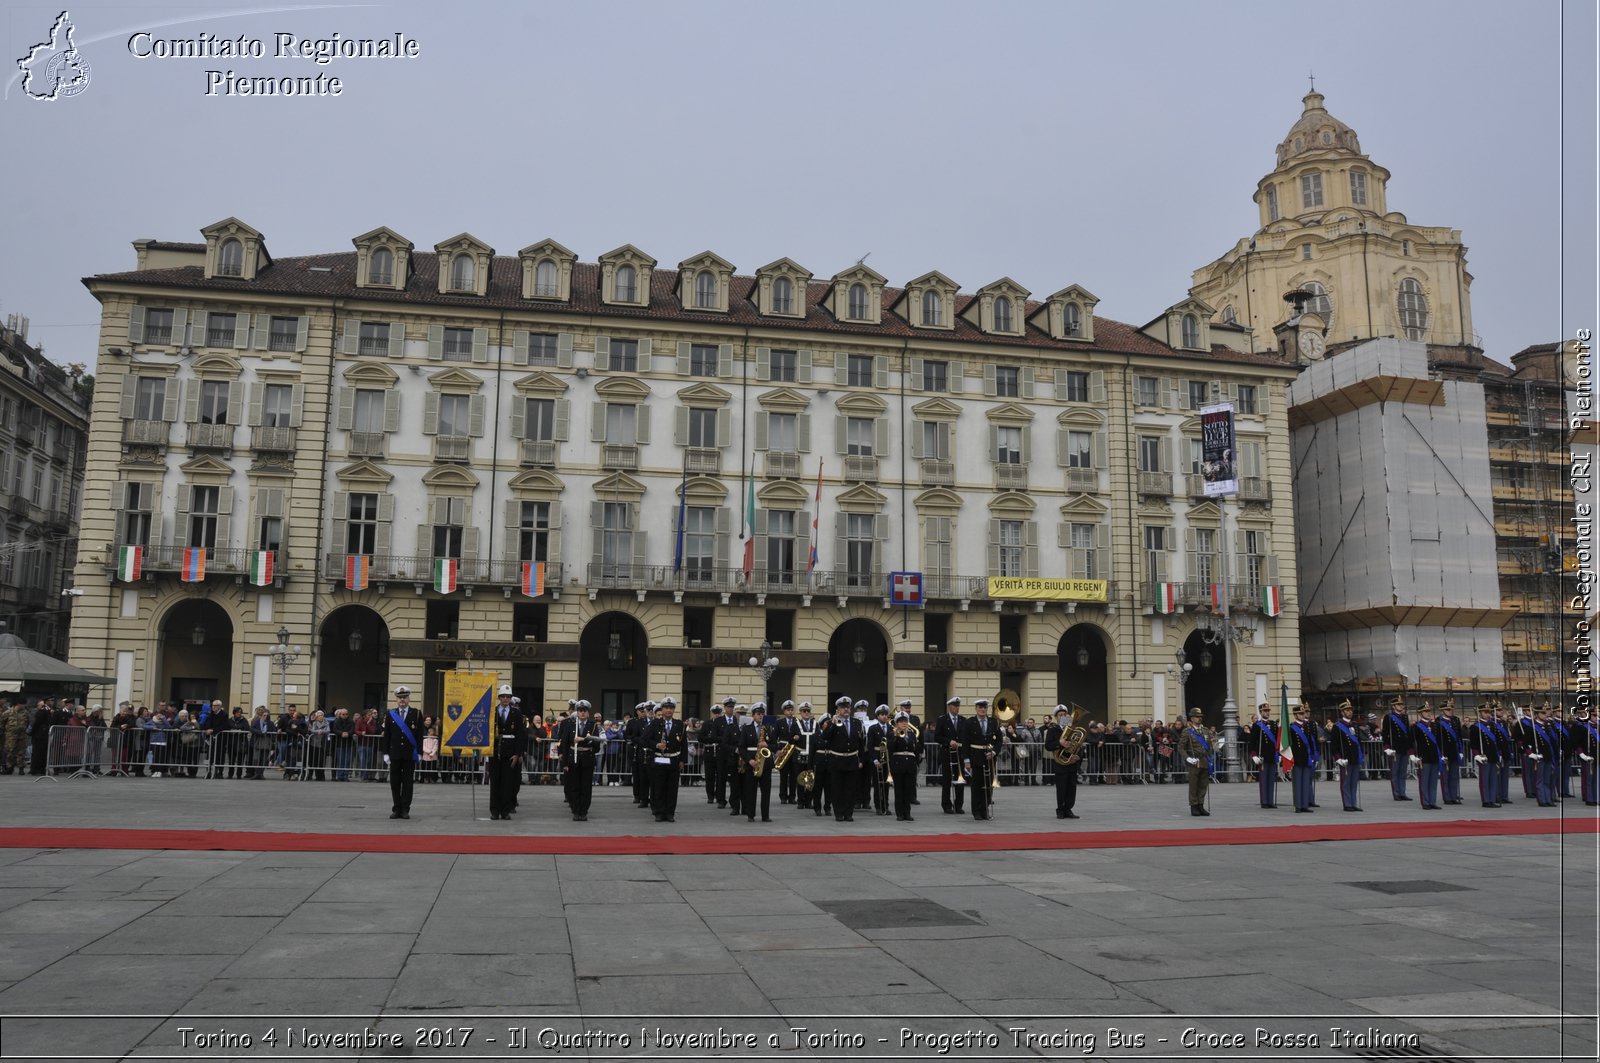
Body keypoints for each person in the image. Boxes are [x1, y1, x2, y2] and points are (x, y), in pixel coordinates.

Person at [381, 685, 423, 819]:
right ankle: (396, 808)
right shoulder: (390, 714)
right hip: (395, 754)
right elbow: (386, 735)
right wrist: (386, 753)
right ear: (396, 700)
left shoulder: (416, 714)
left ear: (408, 699)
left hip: (409, 754)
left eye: (404, 697)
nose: (402, 700)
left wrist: (420, 752)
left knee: (408, 783)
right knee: (395, 782)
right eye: (400, 698)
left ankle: (405, 809)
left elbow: (420, 735)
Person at [820, 697, 864, 822]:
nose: (845, 709)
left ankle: (848, 813)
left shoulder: (856, 723)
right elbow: (825, 737)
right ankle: (838, 813)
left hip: (852, 760)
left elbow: (861, 742)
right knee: (837, 788)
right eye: (842, 707)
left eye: (847, 707)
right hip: (837, 759)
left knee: (850, 789)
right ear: (837, 709)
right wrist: (833, 723)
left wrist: (860, 759)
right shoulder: (831, 722)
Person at [487, 685, 526, 820]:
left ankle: (505, 810)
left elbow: (520, 735)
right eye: (503, 696)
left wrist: (518, 753)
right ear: (499, 698)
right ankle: (494, 810)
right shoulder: (492, 712)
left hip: (510, 752)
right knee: (495, 782)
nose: (505, 699)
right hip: (495, 751)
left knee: (507, 782)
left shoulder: (516, 713)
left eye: (508, 697)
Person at [961, 698, 1002, 821]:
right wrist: (966, 760)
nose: (982, 710)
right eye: (980, 707)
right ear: (976, 709)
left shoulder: (993, 722)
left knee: (988, 786)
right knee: (977, 785)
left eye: (984, 707)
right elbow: (965, 742)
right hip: (975, 756)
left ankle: (985, 809)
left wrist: (994, 752)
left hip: (989, 757)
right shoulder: (969, 722)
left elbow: (998, 740)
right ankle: (976, 811)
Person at [560, 699, 600, 821]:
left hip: (587, 759)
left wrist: (582, 740)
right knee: (574, 786)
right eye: (580, 710)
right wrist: (565, 763)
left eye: (585, 711)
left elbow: (597, 745)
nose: (582, 713)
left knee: (586, 787)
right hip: (574, 759)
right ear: (577, 712)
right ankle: (575, 810)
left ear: (588, 713)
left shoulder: (592, 725)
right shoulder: (571, 724)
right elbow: (565, 744)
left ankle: (584, 811)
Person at [645, 697, 685, 822]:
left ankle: (670, 813)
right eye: (666, 708)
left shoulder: (680, 724)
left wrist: (682, 760)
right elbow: (645, 739)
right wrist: (656, 745)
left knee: (672, 788)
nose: (668, 710)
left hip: (674, 759)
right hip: (659, 759)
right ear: (662, 709)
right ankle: (659, 812)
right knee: (659, 787)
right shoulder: (655, 723)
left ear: (674, 710)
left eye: (671, 708)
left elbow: (684, 744)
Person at [735, 703, 773, 823]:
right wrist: (749, 760)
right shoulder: (747, 729)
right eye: (758, 714)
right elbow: (741, 747)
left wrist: (768, 745)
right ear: (753, 715)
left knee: (766, 791)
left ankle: (765, 815)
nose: (760, 716)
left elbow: (776, 746)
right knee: (750, 791)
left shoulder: (768, 728)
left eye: (762, 714)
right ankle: (750, 815)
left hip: (765, 764)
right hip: (752, 762)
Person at [1042, 705, 1080, 819]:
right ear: (1056, 717)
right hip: (1060, 763)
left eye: (1065, 715)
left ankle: (1068, 809)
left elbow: (1079, 745)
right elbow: (1048, 745)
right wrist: (1060, 743)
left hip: (1072, 763)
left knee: (1072, 788)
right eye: (1060, 715)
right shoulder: (1052, 730)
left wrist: (1078, 757)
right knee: (1061, 787)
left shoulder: (1073, 729)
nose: (1063, 717)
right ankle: (1060, 810)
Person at [1176, 708, 1217, 816]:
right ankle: (1194, 806)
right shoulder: (1187, 732)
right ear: (1192, 718)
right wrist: (1187, 758)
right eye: (1197, 717)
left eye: (1200, 717)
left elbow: (1209, 746)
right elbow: (1181, 747)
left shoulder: (1205, 731)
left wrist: (1213, 750)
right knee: (1194, 785)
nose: (1200, 719)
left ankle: (1201, 805)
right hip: (1194, 761)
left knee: (1203, 784)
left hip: (1205, 760)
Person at [1328, 700, 1364, 811]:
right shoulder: (1337, 727)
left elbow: (1358, 742)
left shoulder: (1355, 726)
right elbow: (1334, 745)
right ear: (1342, 712)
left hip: (1354, 757)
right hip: (1345, 758)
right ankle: (1347, 804)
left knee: (1354, 782)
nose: (1350, 712)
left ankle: (1354, 803)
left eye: (1350, 710)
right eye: (1347, 710)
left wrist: (1360, 755)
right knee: (1346, 783)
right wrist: (1338, 758)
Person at [932, 696, 966, 814]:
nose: (957, 708)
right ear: (949, 707)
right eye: (955, 706)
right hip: (947, 752)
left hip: (959, 753)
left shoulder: (963, 720)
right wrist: (948, 741)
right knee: (946, 780)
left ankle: (959, 805)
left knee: (960, 779)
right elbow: (937, 737)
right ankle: (946, 805)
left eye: (958, 706)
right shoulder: (942, 720)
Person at [888, 710, 921, 820]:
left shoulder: (911, 735)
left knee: (908, 791)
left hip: (910, 765)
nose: (904, 723)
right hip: (898, 765)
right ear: (897, 723)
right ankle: (900, 814)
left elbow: (916, 750)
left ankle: (907, 813)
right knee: (899, 791)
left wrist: (917, 762)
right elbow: (891, 749)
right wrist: (896, 736)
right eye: (901, 721)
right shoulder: (892, 734)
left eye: (905, 721)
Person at [1410, 702, 1444, 810]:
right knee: (1424, 781)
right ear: (1420, 713)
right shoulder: (1416, 727)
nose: (1428, 713)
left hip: (1434, 756)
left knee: (1433, 781)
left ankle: (1432, 801)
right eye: (1426, 711)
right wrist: (1413, 755)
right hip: (1423, 757)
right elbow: (1412, 742)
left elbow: (1439, 742)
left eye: (1429, 711)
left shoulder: (1434, 726)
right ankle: (1425, 802)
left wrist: (1441, 754)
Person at [1467, 704, 1502, 807]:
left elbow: (1498, 741)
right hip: (1484, 756)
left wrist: (1499, 753)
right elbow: (1473, 743)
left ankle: (1492, 799)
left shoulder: (1493, 725)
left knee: (1493, 779)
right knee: (1484, 780)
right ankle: (1486, 800)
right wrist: (1476, 755)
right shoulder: (1475, 727)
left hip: (1493, 755)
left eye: (1488, 712)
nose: (1487, 714)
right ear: (1480, 713)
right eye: (1485, 712)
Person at [1287, 702, 1319, 812]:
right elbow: (1289, 745)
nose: (1302, 715)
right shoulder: (1291, 728)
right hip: (1296, 758)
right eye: (1300, 714)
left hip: (1306, 757)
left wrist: (1314, 756)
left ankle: (1305, 805)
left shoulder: (1307, 727)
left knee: (1305, 782)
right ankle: (1298, 805)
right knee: (1298, 783)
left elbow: (1310, 742)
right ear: (1295, 715)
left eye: (1303, 713)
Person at [1380, 697, 1412, 801]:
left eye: (1401, 704)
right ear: (1393, 706)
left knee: (1403, 772)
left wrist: (1410, 748)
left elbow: (1407, 733)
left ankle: (1403, 792)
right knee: (1395, 772)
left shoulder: (1405, 717)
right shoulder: (1388, 717)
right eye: (1398, 705)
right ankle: (1396, 793)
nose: (1401, 706)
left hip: (1404, 748)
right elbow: (1385, 733)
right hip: (1394, 748)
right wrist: (1387, 747)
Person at [1248, 703, 1279, 808]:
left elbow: (1277, 741)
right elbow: (1252, 742)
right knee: (1264, 780)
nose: (1267, 713)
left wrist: (1278, 753)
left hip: (1272, 755)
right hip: (1262, 756)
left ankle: (1270, 801)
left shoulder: (1274, 724)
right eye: (1265, 711)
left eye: (1268, 711)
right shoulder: (1257, 725)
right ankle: (1264, 801)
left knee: (1271, 779)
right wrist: (1254, 755)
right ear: (1260, 712)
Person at [772, 700, 801, 805]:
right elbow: (774, 738)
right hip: (783, 750)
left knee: (794, 775)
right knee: (783, 775)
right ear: (784, 711)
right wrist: (776, 750)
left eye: (791, 710)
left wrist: (798, 737)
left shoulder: (797, 722)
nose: (790, 712)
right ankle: (783, 796)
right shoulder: (779, 723)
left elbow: (800, 736)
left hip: (793, 751)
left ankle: (792, 797)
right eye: (788, 710)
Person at [1436, 699, 1464, 805]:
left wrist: (1460, 751)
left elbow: (1459, 736)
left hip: (1454, 752)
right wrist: (1440, 754)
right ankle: (1447, 797)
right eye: (1447, 709)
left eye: (1451, 709)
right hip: (1445, 752)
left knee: (1454, 776)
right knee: (1445, 777)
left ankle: (1454, 796)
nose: (1450, 711)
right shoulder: (1438, 722)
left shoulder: (1455, 720)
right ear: (1443, 711)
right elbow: (1438, 739)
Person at [867, 705, 893, 815]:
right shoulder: (873, 728)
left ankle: (885, 805)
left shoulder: (892, 728)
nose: (884, 717)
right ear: (877, 716)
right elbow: (870, 746)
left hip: (887, 758)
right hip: (877, 757)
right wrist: (874, 760)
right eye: (882, 715)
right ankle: (878, 806)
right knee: (878, 784)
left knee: (886, 784)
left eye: (886, 714)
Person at [795, 702, 821, 815]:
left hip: (811, 756)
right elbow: (790, 738)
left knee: (810, 779)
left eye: (808, 711)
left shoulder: (816, 724)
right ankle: (800, 801)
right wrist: (793, 738)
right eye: (804, 711)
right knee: (801, 778)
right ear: (800, 713)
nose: (806, 713)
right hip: (800, 754)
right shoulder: (796, 724)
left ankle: (808, 801)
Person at [1575, 708, 1599, 806]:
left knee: (1596, 779)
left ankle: (1596, 798)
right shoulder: (1583, 727)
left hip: (1597, 756)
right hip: (1588, 756)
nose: (1596, 718)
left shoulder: (1597, 727)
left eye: (1597, 716)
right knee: (1589, 779)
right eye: (1594, 716)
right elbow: (1577, 743)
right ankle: (1589, 798)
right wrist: (1582, 754)